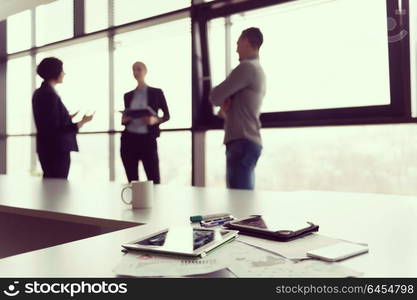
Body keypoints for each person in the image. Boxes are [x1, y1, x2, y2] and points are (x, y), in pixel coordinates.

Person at [209, 27, 266, 190]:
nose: (235, 49)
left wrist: (222, 98)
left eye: (238, 43)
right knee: (242, 200)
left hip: (242, 141)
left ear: (247, 41)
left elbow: (215, 96)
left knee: (239, 202)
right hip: (247, 140)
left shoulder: (247, 67)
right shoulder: (257, 70)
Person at [32, 57, 94, 179]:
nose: (64, 73)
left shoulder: (40, 92)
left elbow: (48, 120)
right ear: (55, 72)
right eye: (62, 70)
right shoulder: (49, 94)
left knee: (50, 184)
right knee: (57, 185)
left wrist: (67, 116)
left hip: (46, 147)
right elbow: (56, 128)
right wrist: (82, 121)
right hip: (57, 149)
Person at [120, 61, 170, 183]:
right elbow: (127, 115)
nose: (136, 72)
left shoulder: (156, 92)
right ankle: (133, 202)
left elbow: (166, 115)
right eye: (133, 70)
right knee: (132, 180)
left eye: (138, 69)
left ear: (145, 71)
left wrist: (154, 120)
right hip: (129, 140)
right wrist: (125, 119)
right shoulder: (128, 95)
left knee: (154, 180)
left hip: (147, 139)